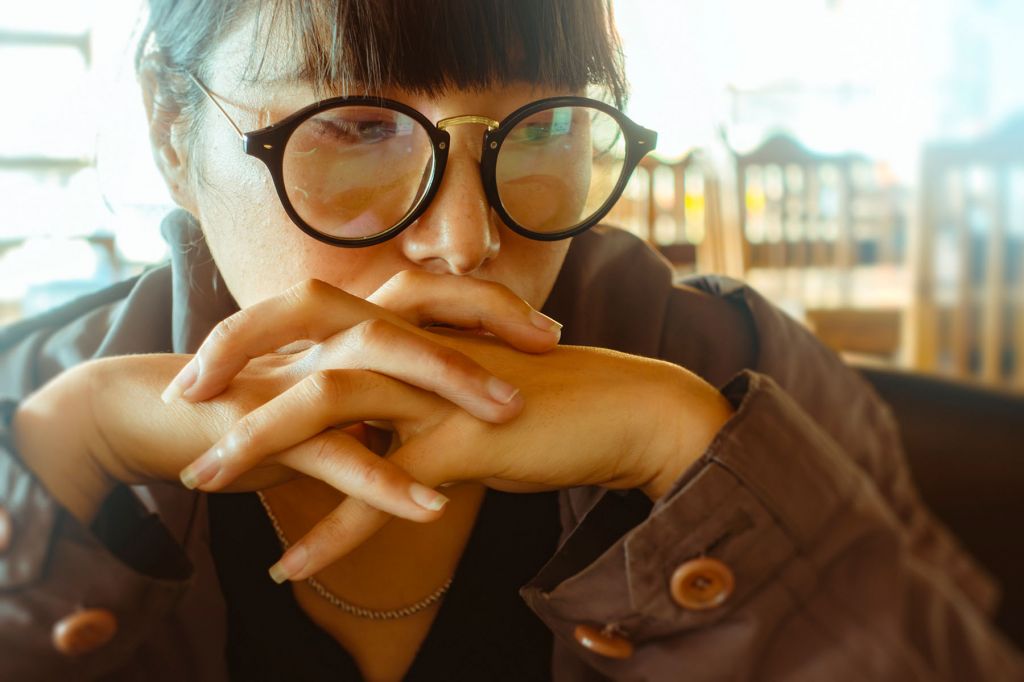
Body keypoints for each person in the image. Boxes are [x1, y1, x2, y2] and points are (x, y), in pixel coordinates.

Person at [0, 1, 1021, 680]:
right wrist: (55, 472)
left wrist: (685, 453)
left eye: (538, 127)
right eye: (356, 126)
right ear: (174, 135)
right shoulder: (32, 411)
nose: (465, 241)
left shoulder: (738, 375)